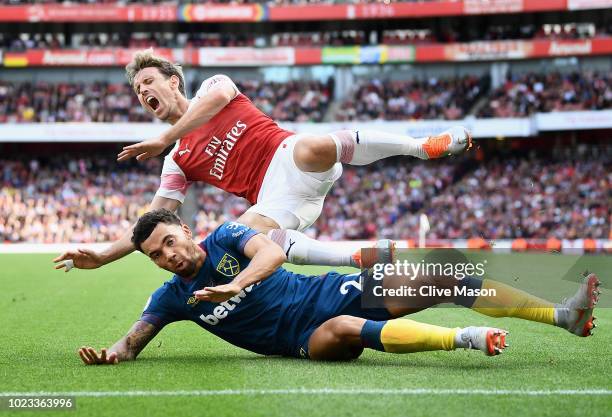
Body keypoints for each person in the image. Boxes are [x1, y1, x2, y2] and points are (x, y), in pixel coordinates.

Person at [53, 49, 471, 274]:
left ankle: (422, 147)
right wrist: (104, 256)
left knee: (311, 145)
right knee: (246, 235)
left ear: (172, 81)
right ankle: (360, 256)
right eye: (137, 89)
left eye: (148, 81)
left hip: (289, 159)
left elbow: (216, 100)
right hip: (276, 201)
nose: (143, 91)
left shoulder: (213, 88)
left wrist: (164, 137)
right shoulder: (177, 161)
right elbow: (152, 221)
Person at [73, 209, 599, 365]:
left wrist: (232, 291)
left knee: (445, 274)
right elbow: (133, 340)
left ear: (185, 231)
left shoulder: (229, 236)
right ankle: (462, 339)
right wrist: (113, 355)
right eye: (156, 255)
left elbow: (274, 252)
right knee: (347, 330)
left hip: (328, 290)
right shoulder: (172, 298)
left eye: (169, 241)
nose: (168, 255)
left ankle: (562, 316)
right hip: (306, 340)